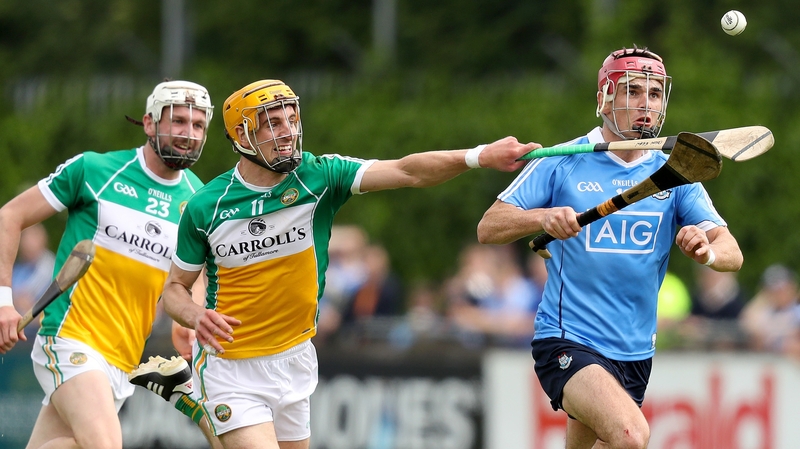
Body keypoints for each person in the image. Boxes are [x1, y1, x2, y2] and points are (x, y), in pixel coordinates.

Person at [158, 79, 535, 449]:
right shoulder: (207, 206)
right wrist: (195, 316)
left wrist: (479, 156)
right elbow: (175, 288)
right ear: (241, 136)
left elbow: (407, 170)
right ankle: (203, 398)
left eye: (291, 119)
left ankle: (191, 401)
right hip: (232, 365)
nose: (288, 131)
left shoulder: (319, 176)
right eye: (273, 123)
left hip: (296, 358)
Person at [476, 45, 743, 448]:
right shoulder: (561, 161)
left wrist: (706, 250)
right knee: (630, 435)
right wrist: (541, 217)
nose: (646, 105)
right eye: (633, 91)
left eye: (654, 94)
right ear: (604, 98)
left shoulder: (675, 171)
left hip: (635, 352)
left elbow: (731, 253)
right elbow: (489, 226)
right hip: (568, 339)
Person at [0, 80, 221, 449]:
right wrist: (4, 302)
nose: (189, 133)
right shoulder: (95, 170)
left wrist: (190, 317)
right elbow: (10, 216)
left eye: (198, 125)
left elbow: (190, 275)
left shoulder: (198, 200)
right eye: (178, 121)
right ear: (149, 124)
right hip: (71, 337)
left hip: (123, 356)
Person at [740, 264, 800, 356]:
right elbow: (746, 320)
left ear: (792, 287)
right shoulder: (767, 311)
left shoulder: (797, 309)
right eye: (773, 289)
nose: (779, 293)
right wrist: (762, 298)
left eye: (782, 288)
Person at [11, 223, 56, 338]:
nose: (27, 243)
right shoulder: (18, 270)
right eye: (25, 238)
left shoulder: (52, 271)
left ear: (43, 240)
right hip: (15, 338)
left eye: (32, 238)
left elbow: (53, 316)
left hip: (39, 337)